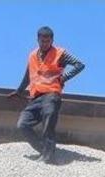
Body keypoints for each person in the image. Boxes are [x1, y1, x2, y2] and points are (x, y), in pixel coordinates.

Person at [10, 26, 85, 164]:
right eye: (42, 41)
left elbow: (79, 65)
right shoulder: (32, 55)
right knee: (23, 124)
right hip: (36, 97)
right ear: (37, 39)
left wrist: (63, 78)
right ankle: (44, 150)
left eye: (48, 41)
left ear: (52, 40)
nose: (45, 44)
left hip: (51, 95)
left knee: (48, 125)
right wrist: (19, 90)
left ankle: (48, 156)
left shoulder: (60, 53)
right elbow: (28, 75)